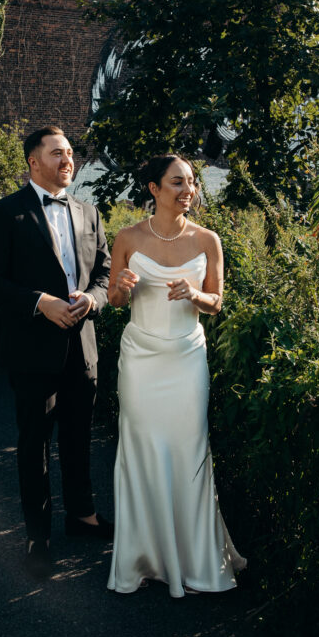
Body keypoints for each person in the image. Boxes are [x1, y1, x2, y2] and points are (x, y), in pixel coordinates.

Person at [106, 154, 246, 598]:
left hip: (186, 358)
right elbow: (112, 299)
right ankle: (144, 558)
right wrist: (121, 290)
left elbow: (218, 302)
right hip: (141, 358)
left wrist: (196, 294)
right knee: (142, 450)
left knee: (189, 450)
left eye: (191, 183)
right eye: (177, 182)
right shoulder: (126, 237)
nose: (188, 190)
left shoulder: (208, 240)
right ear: (154, 189)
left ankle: (196, 561)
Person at [0, 126, 112, 580]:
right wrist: (40, 302)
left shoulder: (90, 213)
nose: (67, 160)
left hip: (82, 346)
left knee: (78, 437)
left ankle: (83, 516)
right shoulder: (4, 214)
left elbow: (106, 274)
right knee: (35, 443)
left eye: (70, 153)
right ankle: (38, 536)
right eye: (57, 153)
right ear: (34, 161)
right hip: (32, 349)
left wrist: (93, 298)